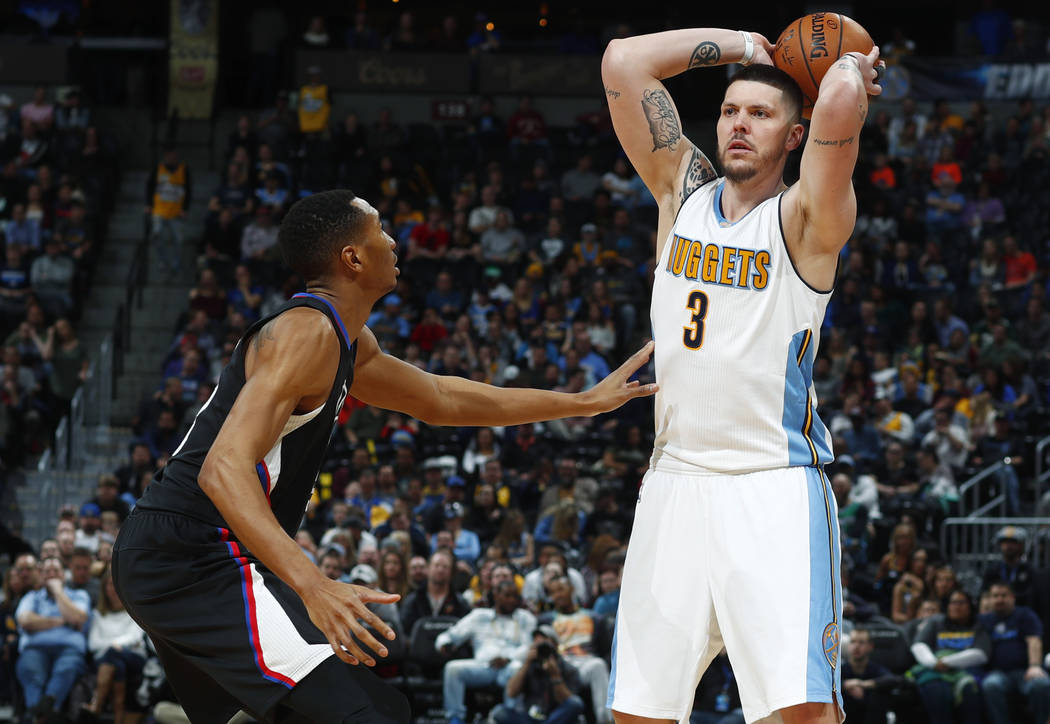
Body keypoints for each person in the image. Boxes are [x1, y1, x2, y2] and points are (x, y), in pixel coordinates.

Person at [112, 190, 655, 724]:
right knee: (368, 713)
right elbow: (222, 468)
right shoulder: (305, 334)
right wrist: (314, 584)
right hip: (192, 554)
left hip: (189, 554)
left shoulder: (347, 341)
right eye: (379, 231)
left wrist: (580, 403)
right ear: (352, 257)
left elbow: (442, 399)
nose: (393, 241)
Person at [603, 24, 883, 724]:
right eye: (731, 111)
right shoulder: (681, 192)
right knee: (639, 714)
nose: (738, 124)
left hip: (772, 487)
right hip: (674, 481)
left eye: (761, 115)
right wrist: (741, 44)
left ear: (796, 136)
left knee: (800, 715)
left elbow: (844, 95)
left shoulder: (806, 220)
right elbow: (624, 61)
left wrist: (844, 70)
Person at [436, 581, 538, 724]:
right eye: (507, 596)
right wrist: (445, 644)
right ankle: (455, 718)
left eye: (515, 597)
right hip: (483, 666)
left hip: (510, 667)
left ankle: (509, 717)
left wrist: (507, 658)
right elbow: (449, 635)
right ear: (496, 596)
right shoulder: (479, 616)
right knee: (453, 669)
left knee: (517, 669)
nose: (512, 600)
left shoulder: (526, 618)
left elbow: (529, 647)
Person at [15, 557, 90, 721]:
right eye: (47, 571)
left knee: (66, 668)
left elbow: (77, 617)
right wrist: (62, 621)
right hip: (35, 649)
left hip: (68, 650)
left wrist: (58, 592)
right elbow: (25, 620)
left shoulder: (78, 595)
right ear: (41, 576)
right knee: (31, 671)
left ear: (64, 575)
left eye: (56, 571)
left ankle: (38, 714)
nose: (52, 575)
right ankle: (46, 713)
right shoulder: (31, 597)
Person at [910, 589, 989, 724]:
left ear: (970, 606)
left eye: (961, 602)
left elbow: (981, 654)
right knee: (936, 690)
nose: (956, 606)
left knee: (969, 691)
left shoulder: (978, 625)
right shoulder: (936, 622)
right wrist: (933, 663)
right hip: (935, 670)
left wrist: (947, 662)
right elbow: (918, 645)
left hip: (967, 671)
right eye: (953, 602)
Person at [82, 564, 147, 724]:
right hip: (108, 658)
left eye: (116, 583)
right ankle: (119, 717)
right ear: (104, 588)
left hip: (133, 657)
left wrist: (115, 645)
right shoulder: (98, 614)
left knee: (113, 655)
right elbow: (93, 644)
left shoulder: (134, 609)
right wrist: (114, 646)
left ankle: (97, 703)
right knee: (116, 663)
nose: (113, 588)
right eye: (110, 584)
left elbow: (135, 636)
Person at [978, 581, 1050, 724]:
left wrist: (1034, 665)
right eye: (995, 596)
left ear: (1012, 597)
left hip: (1025, 671)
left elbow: (1034, 641)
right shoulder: (984, 620)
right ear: (989, 599)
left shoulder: (1025, 614)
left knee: (1041, 684)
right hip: (997, 672)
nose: (999, 599)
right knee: (990, 685)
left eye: (1004, 595)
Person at [490, 624, 585, 724]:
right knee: (499, 712)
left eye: (544, 641)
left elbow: (569, 703)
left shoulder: (569, 669)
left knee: (575, 703)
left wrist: (555, 676)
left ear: (555, 645)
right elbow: (511, 693)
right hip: (530, 718)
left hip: (556, 717)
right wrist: (526, 663)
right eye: (537, 643)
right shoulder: (529, 666)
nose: (540, 645)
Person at [145, 144, 191, 275]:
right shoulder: (158, 169)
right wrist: (148, 204)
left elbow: (189, 190)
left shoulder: (183, 169)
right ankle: (163, 260)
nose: (171, 157)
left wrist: (185, 208)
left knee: (179, 239)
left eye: (174, 155)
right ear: (165, 156)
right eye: (169, 155)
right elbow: (149, 186)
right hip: (159, 210)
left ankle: (176, 264)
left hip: (176, 212)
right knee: (156, 233)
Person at [840, 628, 893, 724]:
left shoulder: (875, 669)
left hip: (871, 716)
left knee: (878, 694)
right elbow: (827, 684)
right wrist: (845, 685)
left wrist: (862, 684)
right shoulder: (841, 670)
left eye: (861, 642)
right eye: (853, 642)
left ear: (870, 646)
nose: (856, 646)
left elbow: (892, 680)